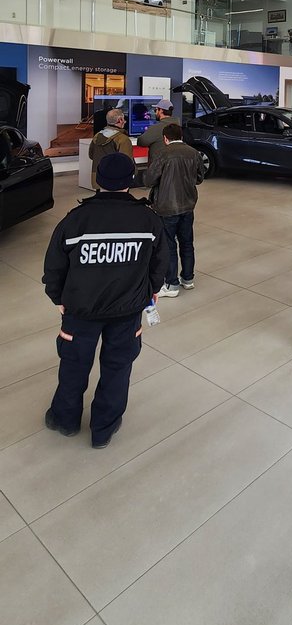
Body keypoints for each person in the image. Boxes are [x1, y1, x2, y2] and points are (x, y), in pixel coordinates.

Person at [42, 152, 168, 449]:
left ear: (97, 180)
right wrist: (151, 291)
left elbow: (54, 265)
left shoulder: (75, 220)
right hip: (127, 311)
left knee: (73, 366)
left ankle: (65, 420)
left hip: (80, 311)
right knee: (117, 368)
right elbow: (160, 263)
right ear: (130, 181)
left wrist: (58, 297)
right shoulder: (149, 220)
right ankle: (103, 428)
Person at [145, 121, 204, 297]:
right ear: (181, 136)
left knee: (169, 245)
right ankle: (188, 279)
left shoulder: (163, 154)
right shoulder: (194, 153)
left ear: (165, 138)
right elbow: (200, 178)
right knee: (187, 242)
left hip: (166, 206)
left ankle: (171, 285)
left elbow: (149, 180)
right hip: (188, 205)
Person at [88, 107, 133, 190]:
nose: (125, 121)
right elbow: (127, 162)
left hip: (98, 179)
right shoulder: (123, 139)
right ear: (120, 120)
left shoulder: (97, 136)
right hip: (117, 181)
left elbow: (91, 155)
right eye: (123, 119)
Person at [136, 98, 175, 165]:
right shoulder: (178, 125)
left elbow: (141, 142)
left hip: (158, 167)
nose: (155, 112)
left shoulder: (156, 128)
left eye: (156, 110)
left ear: (161, 111)